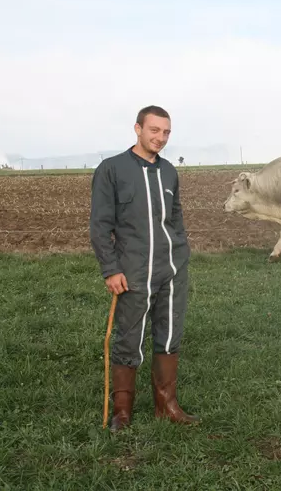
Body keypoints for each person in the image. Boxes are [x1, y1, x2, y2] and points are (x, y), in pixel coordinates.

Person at [89, 105, 199, 431]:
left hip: (172, 270)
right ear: (137, 128)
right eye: (154, 130)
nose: (160, 138)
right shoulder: (112, 169)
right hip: (133, 271)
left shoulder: (169, 172)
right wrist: (110, 269)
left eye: (166, 132)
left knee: (169, 336)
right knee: (129, 339)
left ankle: (166, 406)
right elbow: (99, 226)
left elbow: (174, 219)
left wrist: (181, 254)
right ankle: (122, 412)